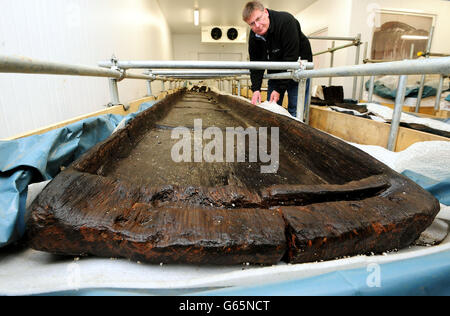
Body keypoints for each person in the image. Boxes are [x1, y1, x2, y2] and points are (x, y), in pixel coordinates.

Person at [242, 1, 312, 118]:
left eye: (258, 19)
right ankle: (273, 135)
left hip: (297, 68)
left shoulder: (286, 21)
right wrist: (256, 89)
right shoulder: (254, 36)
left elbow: (291, 57)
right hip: (276, 69)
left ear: (265, 12)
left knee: (295, 110)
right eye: (252, 24)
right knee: (272, 110)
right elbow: (256, 64)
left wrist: (278, 89)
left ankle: (292, 135)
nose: (257, 26)